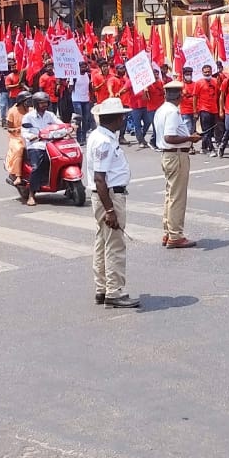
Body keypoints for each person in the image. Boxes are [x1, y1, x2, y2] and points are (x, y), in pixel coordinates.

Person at [85, 97, 139, 308]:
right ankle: (114, 292)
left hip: (105, 195)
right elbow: (100, 177)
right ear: (114, 119)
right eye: (122, 116)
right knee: (115, 244)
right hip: (109, 196)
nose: (124, 120)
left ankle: (102, 288)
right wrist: (110, 209)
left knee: (102, 242)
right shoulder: (104, 141)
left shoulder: (100, 136)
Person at [153, 80, 198, 249]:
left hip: (169, 156)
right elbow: (169, 137)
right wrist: (190, 138)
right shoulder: (172, 112)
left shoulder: (161, 110)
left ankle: (168, 231)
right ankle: (175, 235)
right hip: (176, 155)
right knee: (177, 197)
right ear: (179, 96)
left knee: (170, 195)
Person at [21, 91, 60, 206]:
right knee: (36, 167)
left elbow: (59, 124)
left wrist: (69, 128)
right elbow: (24, 131)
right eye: (41, 103)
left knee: (60, 159)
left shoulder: (50, 115)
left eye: (45, 103)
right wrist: (31, 136)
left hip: (51, 144)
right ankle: (31, 195)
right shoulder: (28, 117)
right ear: (36, 104)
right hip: (36, 145)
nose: (44, 105)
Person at [4, 92, 31, 186]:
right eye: (27, 100)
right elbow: (9, 129)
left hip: (30, 135)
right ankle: (18, 176)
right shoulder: (12, 111)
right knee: (20, 149)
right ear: (22, 102)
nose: (30, 102)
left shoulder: (31, 110)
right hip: (16, 137)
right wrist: (18, 129)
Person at [194, 64, 221, 154]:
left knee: (211, 130)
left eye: (208, 71)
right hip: (204, 109)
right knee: (206, 130)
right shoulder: (198, 83)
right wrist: (195, 111)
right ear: (202, 73)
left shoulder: (215, 81)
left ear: (211, 71)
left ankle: (203, 147)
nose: (207, 73)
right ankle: (211, 149)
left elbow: (219, 95)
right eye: (205, 72)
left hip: (214, 109)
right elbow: (195, 97)